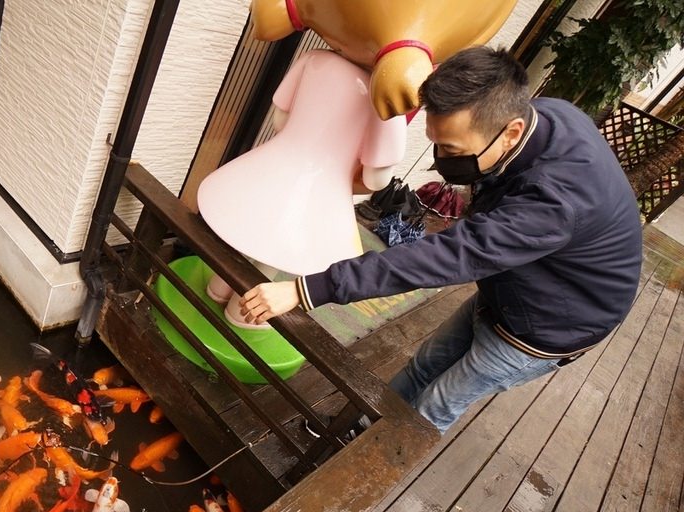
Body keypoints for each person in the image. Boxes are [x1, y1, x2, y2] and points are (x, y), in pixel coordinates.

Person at [238, 46, 643, 435]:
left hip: (553, 324)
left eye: (451, 148)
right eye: (437, 142)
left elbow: (450, 255)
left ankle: (373, 471)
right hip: (518, 283)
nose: (440, 159)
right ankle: (356, 431)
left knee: (437, 405)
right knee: (424, 366)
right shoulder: (548, 117)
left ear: (511, 131)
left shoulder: (556, 202)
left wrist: (308, 288)